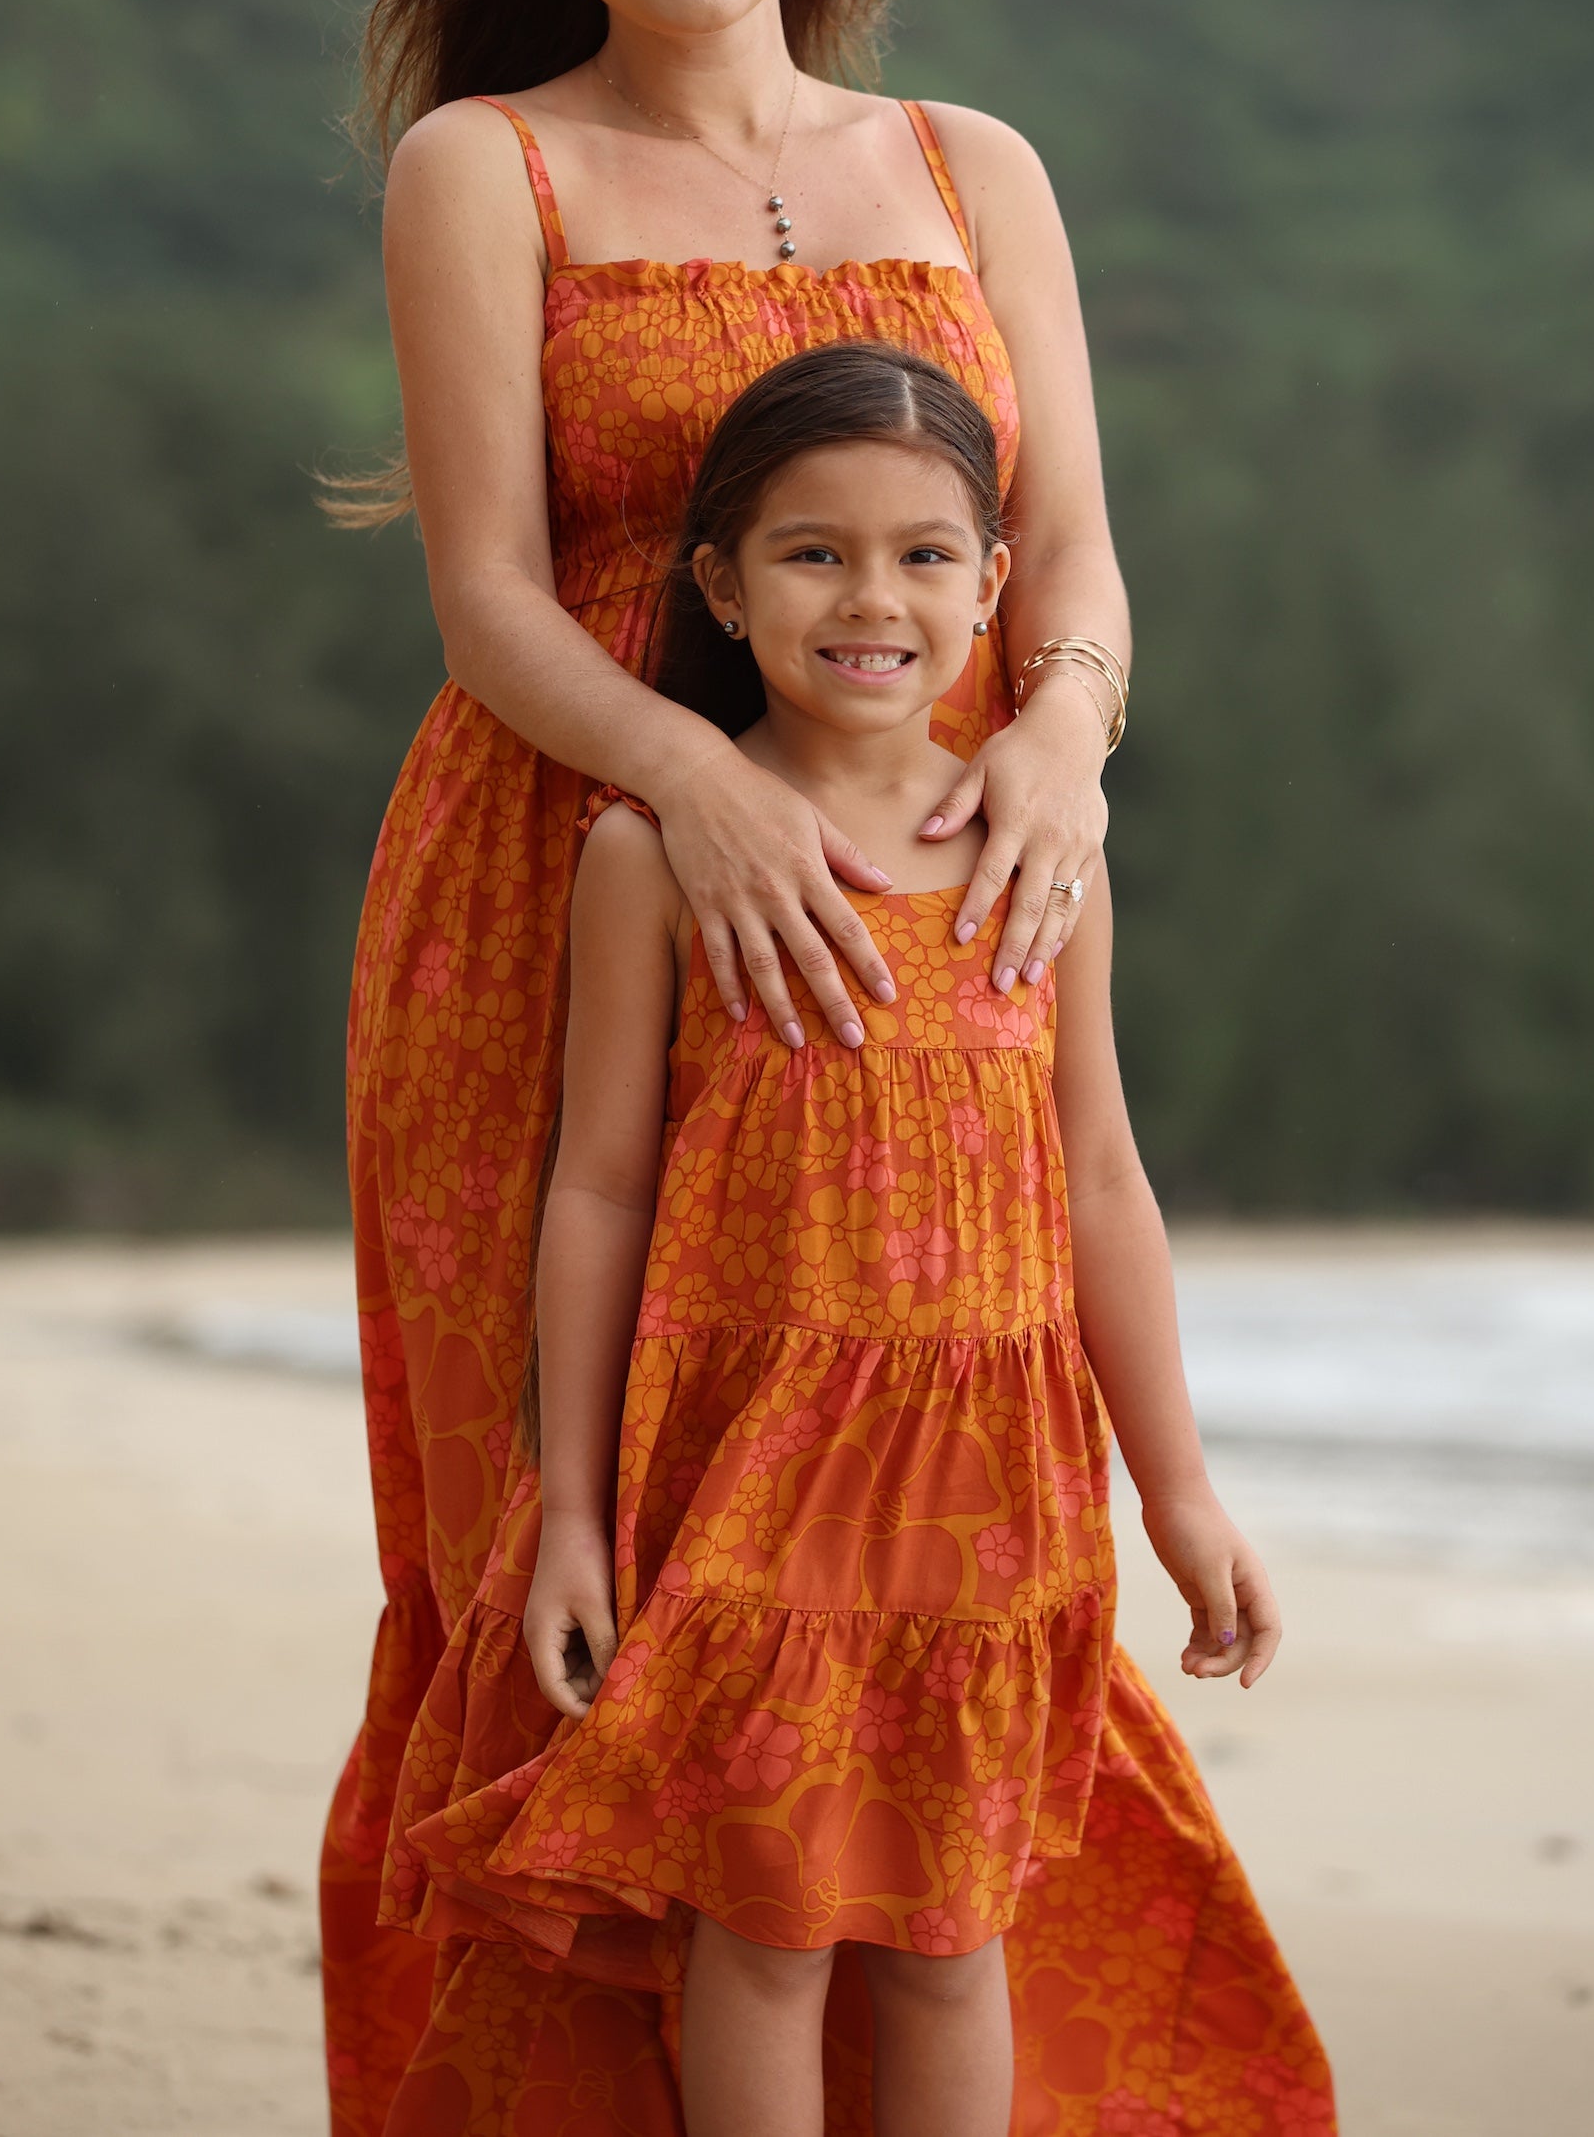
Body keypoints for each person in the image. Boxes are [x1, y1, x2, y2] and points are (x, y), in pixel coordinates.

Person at [324, 0, 1148, 2125]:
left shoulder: (974, 163)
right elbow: (483, 597)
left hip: (931, 891)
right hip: (576, 874)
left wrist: (1065, 747)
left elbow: (1080, 561)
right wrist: (696, 787)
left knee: (891, 1583)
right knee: (586, 1577)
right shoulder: (490, 165)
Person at [378, 343, 1333, 2136]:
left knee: (949, 1936)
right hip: (751, 1486)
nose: (871, 598)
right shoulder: (651, 851)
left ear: (993, 584)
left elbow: (1101, 1174)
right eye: (812, 554)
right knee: (763, 1931)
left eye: (922, 554)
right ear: (722, 589)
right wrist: (575, 1510)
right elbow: (598, 1187)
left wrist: (1178, 1492)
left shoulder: (1042, 846)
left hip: (993, 1499)